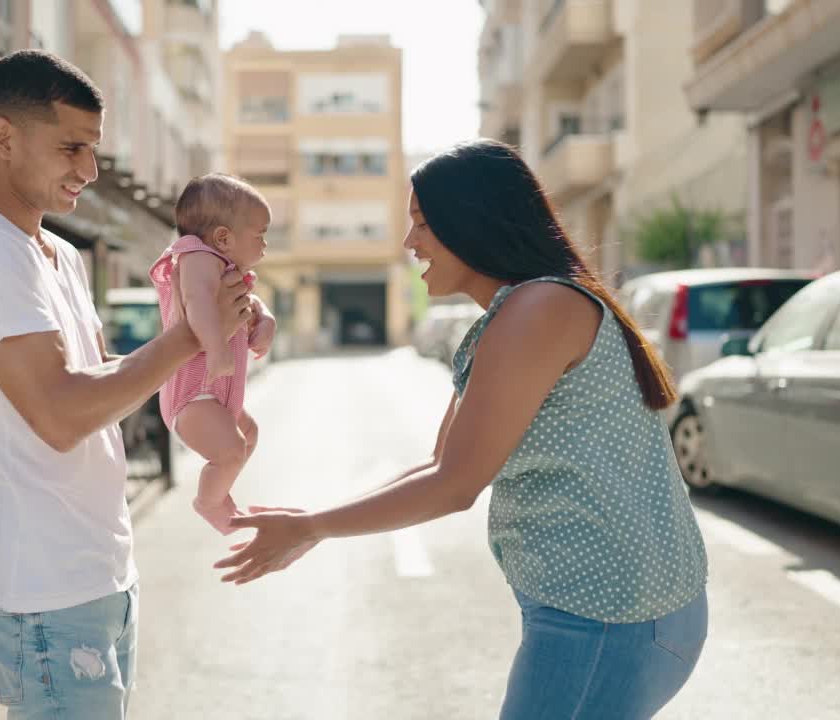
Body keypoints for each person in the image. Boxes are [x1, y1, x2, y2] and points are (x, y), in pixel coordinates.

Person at [215, 139, 710, 719]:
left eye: (423, 224)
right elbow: (440, 463)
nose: (409, 243)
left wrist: (312, 529)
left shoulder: (539, 310)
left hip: (610, 621)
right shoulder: (514, 314)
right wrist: (307, 525)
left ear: (473, 223)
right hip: (609, 614)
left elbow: (456, 486)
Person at [0, 49, 253, 719]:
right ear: (4, 138)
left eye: (95, 149)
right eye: (72, 146)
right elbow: (62, 414)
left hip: (96, 573)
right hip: (47, 588)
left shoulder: (60, 253)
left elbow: (102, 387)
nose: (90, 170)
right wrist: (190, 334)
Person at [149, 174, 275, 534]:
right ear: (223, 238)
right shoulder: (197, 258)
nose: (265, 244)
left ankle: (220, 491)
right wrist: (218, 349)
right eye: (259, 234)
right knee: (233, 448)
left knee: (248, 435)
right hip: (192, 394)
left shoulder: (227, 268)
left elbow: (249, 304)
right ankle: (207, 501)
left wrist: (265, 321)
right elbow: (198, 303)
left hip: (215, 394)